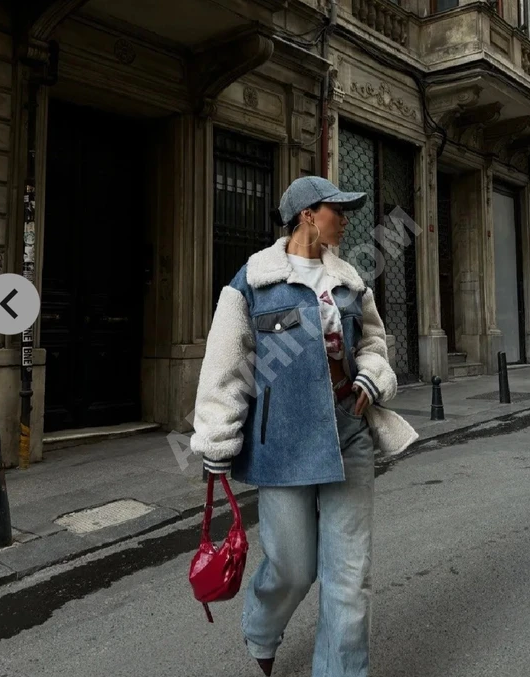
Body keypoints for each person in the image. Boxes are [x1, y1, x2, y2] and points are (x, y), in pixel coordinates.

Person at [190, 176, 417, 676]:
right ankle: (260, 627)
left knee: (349, 576)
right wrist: (216, 438)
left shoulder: (352, 281)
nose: (347, 217)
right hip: (283, 442)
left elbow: (376, 345)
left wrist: (371, 378)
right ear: (307, 214)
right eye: (338, 208)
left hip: (348, 430)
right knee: (293, 569)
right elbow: (226, 364)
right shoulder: (253, 280)